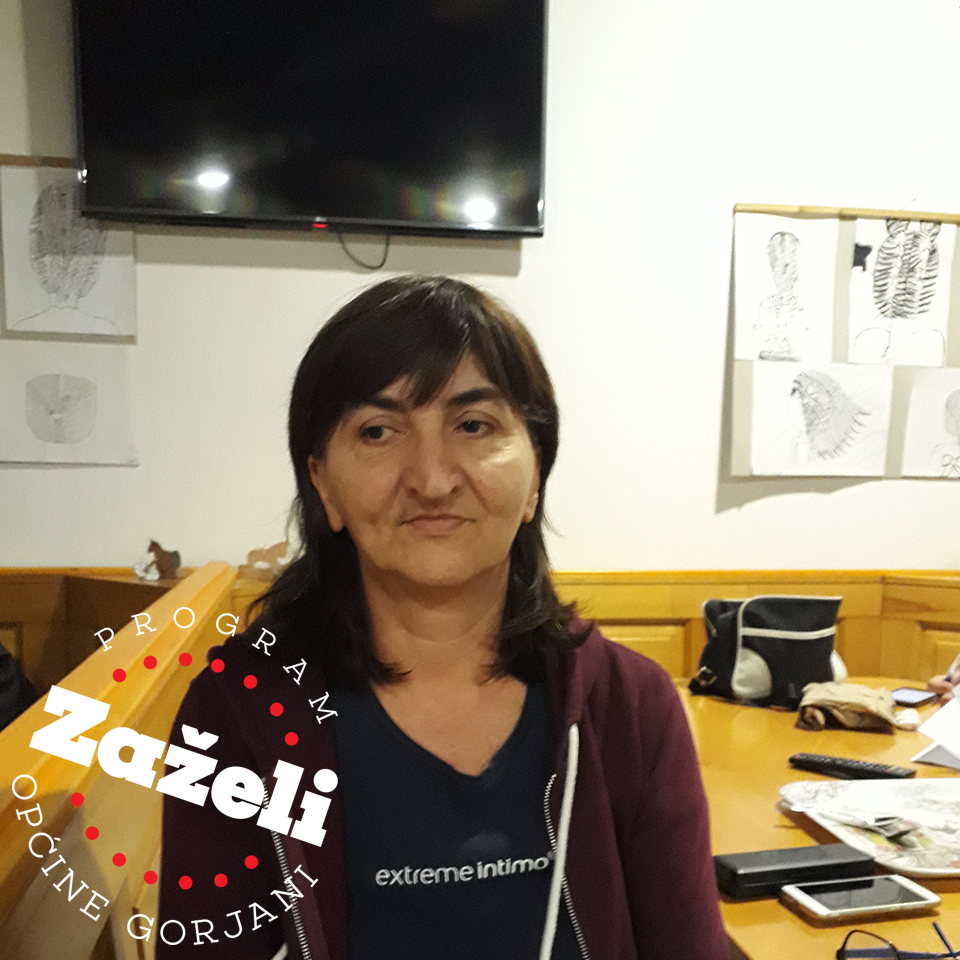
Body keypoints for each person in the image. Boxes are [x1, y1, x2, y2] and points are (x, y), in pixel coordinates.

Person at [156, 275, 728, 959]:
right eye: (378, 431)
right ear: (323, 484)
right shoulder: (239, 711)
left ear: (536, 472)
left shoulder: (629, 707)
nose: (431, 479)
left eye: (473, 425)